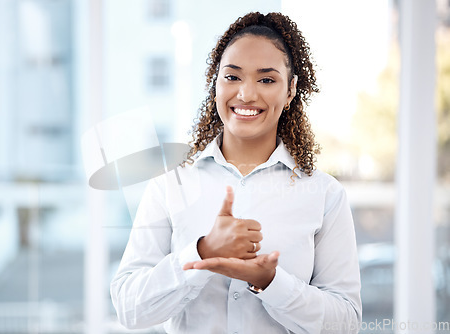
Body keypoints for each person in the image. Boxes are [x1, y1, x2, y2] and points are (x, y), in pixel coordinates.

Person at [111, 12, 362, 333]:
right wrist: (203, 252)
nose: (246, 94)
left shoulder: (325, 195)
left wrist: (271, 282)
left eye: (267, 79)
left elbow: (346, 323)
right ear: (215, 84)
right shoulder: (170, 184)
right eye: (232, 77)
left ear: (290, 91)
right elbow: (130, 310)